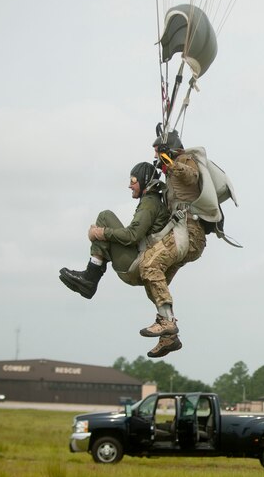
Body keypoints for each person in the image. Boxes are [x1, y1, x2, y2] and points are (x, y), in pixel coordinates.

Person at [59, 163, 171, 338]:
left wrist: (100, 232)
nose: (130, 185)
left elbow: (133, 235)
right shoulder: (151, 201)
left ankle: (91, 277)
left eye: (133, 180)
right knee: (105, 227)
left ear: (143, 180)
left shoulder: (150, 202)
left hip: (136, 264)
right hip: (140, 261)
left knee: (105, 217)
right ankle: (90, 277)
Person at [137, 130, 207, 358]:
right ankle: (170, 338)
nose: (156, 157)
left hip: (188, 233)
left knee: (149, 266)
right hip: (183, 234)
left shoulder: (185, 160)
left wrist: (170, 161)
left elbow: (190, 177)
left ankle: (167, 324)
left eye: (157, 152)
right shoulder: (170, 170)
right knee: (155, 284)